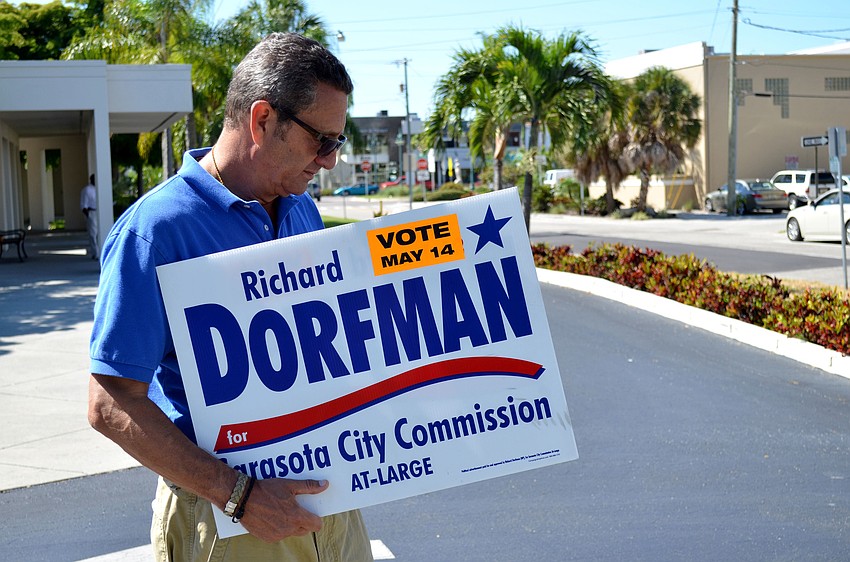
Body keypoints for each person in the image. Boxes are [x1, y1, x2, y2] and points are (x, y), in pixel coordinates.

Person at [87, 33, 372, 562]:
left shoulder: (301, 209)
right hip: (229, 523)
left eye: (338, 142)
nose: (331, 161)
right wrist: (238, 497)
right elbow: (110, 403)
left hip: (331, 506)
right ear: (263, 120)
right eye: (322, 141)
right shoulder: (155, 232)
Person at [80, 174, 98, 259]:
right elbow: (84, 204)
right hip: (92, 212)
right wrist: (88, 216)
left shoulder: (99, 188)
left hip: (99, 211)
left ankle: (99, 251)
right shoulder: (87, 190)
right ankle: (95, 253)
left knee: (99, 232)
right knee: (93, 233)